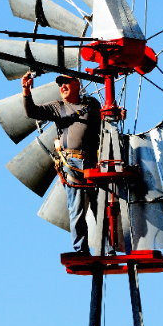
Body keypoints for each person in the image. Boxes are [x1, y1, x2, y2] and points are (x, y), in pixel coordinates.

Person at [21, 72, 102, 255]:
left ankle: (109, 249)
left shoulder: (91, 105)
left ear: (77, 84)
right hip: (72, 163)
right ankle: (81, 250)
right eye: (60, 84)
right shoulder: (58, 107)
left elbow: (104, 122)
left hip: (93, 161)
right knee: (77, 209)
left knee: (102, 207)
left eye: (66, 82)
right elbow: (31, 111)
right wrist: (26, 90)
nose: (62, 87)